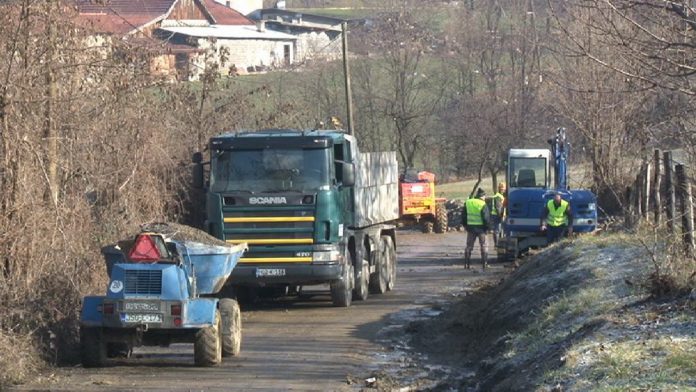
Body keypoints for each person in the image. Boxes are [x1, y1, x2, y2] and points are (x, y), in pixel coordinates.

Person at [462, 188, 491, 269]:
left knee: (469, 246)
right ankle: (484, 264)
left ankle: (466, 264)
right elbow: (486, 218)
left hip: (470, 228)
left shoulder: (468, 202)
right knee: (484, 246)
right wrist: (487, 228)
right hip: (481, 229)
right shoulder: (482, 204)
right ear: (482, 196)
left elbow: (463, 216)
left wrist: (466, 226)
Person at [490, 182, 506, 247]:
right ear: (501, 189)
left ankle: (499, 243)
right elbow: (498, 207)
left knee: (499, 230)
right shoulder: (498, 196)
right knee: (497, 230)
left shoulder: (500, 196)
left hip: (497, 214)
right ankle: (496, 244)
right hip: (497, 215)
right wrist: (501, 216)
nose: (504, 190)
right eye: (503, 189)